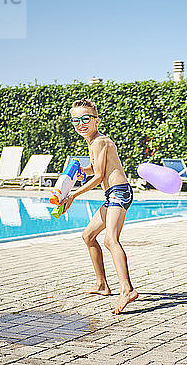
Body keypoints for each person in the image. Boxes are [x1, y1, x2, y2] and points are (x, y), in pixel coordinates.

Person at [61, 98, 138, 314]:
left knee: (110, 239)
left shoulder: (100, 142)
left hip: (119, 193)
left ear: (97, 120)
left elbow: (99, 176)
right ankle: (102, 284)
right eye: (75, 120)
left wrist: (73, 195)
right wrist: (78, 170)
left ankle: (127, 289)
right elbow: (93, 169)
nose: (80, 124)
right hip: (112, 194)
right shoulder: (93, 142)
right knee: (88, 236)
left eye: (86, 118)